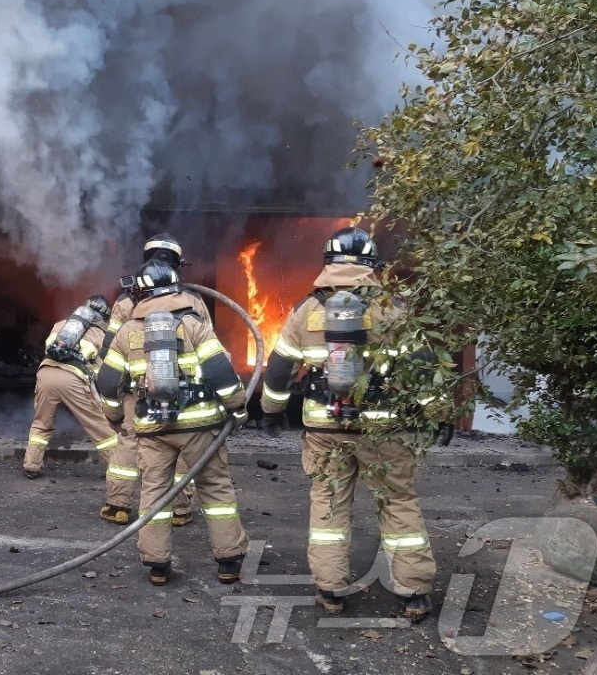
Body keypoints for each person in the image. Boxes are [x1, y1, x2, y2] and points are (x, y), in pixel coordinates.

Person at [259, 226, 436, 623]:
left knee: (328, 506)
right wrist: (434, 413)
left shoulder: (307, 310)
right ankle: (414, 594)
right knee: (398, 503)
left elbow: (280, 369)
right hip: (382, 429)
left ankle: (330, 589)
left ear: (328, 263)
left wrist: (272, 411)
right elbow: (423, 368)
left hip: (325, 431)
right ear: (372, 265)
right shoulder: (393, 308)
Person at [96, 260, 250, 586]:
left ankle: (157, 566)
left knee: (154, 492)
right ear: (176, 289)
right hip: (200, 427)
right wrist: (238, 407)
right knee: (216, 489)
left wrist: (114, 416)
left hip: (153, 429)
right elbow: (221, 372)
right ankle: (229, 561)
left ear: (141, 293)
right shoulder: (194, 324)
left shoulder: (127, 332)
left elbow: (108, 383)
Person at [99, 233, 209, 527]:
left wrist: (116, 388)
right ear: (177, 262)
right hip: (185, 391)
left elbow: (110, 346)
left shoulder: (126, 300)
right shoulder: (192, 300)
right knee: (182, 444)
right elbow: (208, 345)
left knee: (131, 439)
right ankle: (180, 509)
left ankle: (118, 504)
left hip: (138, 388)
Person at [24, 295, 138, 523]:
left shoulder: (61, 325)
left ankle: (31, 465)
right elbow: (102, 371)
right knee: (100, 429)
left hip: (45, 373)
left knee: (41, 423)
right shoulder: (101, 334)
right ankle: (117, 469)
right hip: (73, 380)